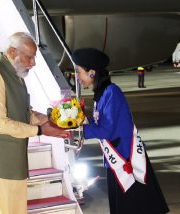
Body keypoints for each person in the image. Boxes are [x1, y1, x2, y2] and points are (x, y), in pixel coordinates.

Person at [0, 32, 69, 214]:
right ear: (13, 52)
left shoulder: (16, 73)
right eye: (29, 57)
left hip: (11, 163)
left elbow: (23, 112)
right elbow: (0, 123)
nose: (33, 63)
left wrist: (55, 121)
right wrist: (39, 130)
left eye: (34, 57)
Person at [72, 48, 169, 214]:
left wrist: (80, 131)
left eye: (78, 72)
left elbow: (106, 131)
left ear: (92, 72)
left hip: (127, 161)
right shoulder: (102, 94)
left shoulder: (111, 92)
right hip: (116, 160)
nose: (77, 77)